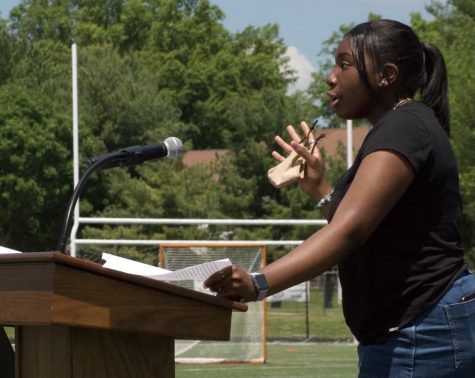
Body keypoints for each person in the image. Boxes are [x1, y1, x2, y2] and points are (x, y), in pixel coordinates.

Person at [204, 19, 475, 377]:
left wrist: (259, 283)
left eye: (344, 64)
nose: (331, 77)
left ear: (386, 74)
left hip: (424, 330)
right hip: (414, 329)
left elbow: (350, 231)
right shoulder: (401, 126)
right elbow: (370, 227)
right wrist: (318, 187)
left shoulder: (404, 127)